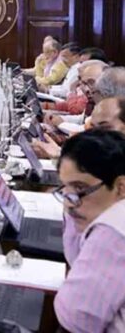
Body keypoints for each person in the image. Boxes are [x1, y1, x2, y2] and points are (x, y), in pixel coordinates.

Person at [54, 129, 125, 333]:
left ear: (120, 187)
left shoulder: (113, 232)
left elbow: (75, 318)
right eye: (65, 188)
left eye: (79, 188)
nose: (68, 203)